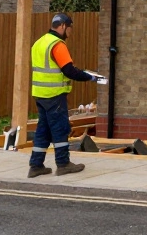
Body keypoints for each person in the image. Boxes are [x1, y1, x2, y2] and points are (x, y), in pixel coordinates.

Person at [28, 13, 98, 178]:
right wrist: (89, 77)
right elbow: (69, 71)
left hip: (40, 94)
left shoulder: (39, 42)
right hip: (54, 95)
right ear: (63, 26)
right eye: (70, 28)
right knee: (60, 128)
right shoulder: (57, 45)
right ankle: (63, 164)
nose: (70, 32)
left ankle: (36, 166)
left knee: (43, 130)